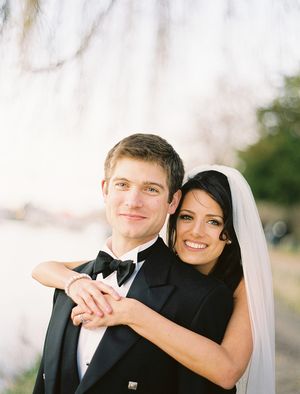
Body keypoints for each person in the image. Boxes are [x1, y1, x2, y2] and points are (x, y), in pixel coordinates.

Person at [33, 162, 275, 394]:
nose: (196, 232)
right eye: (187, 217)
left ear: (230, 233)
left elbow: (227, 370)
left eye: (213, 221)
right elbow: (47, 268)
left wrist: (130, 312)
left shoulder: (246, 285)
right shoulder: (158, 265)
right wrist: (76, 283)